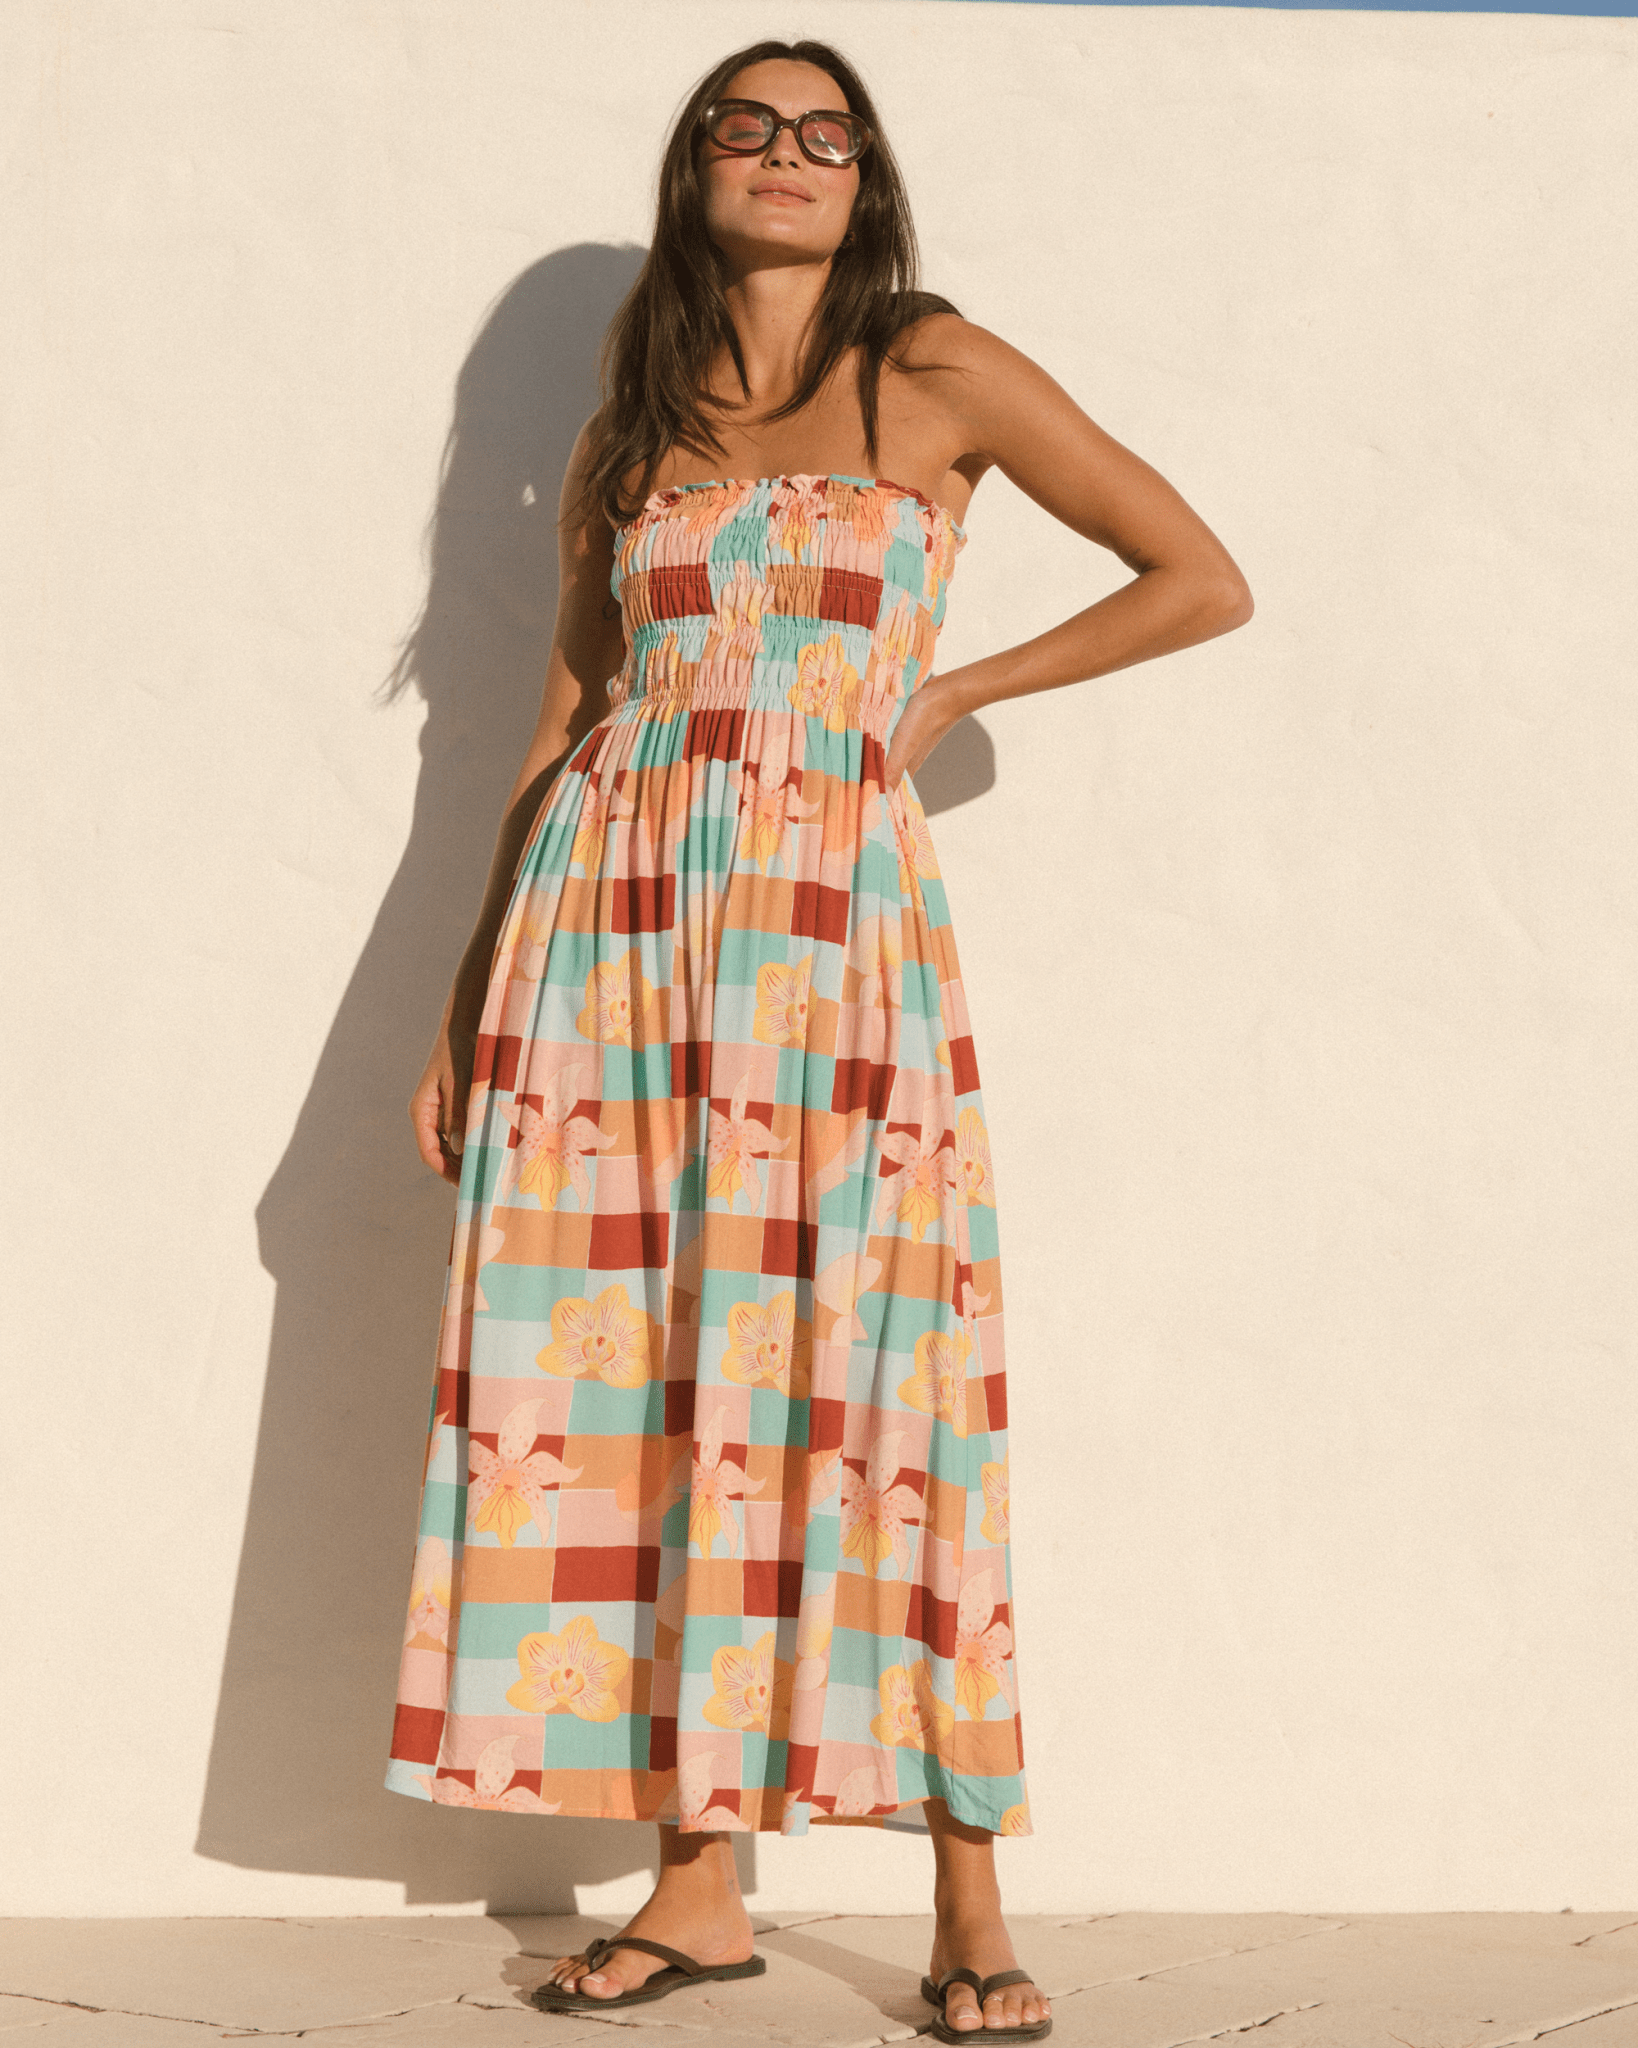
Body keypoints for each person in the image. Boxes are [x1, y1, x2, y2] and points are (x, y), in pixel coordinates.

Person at [389, 36, 1251, 2042]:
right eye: (745, 127)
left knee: (888, 1378)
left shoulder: (935, 370)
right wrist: (465, 992)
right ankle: (694, 1887)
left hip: (827, 949)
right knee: (658, 1382)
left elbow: (1197, 576)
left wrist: (947, 693)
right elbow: (553, 731)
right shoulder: (636, 428)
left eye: (824, 133)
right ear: (698, 165)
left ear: (866, 177)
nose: (786, 157)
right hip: (606, 946)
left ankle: (967, 1885)